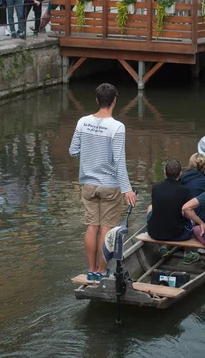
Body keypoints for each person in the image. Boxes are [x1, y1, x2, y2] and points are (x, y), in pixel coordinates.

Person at [69, 83, 137, 282]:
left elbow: (73, 151)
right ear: (114, 101)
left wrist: (90, 156)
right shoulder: (117, 127)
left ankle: (91, 270)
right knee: (106, 228)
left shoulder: (82, 122)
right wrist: (127, 189)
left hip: (88, 184)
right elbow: (118, 161)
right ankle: (101, 271)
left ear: (97, 100)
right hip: (109, 185)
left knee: (91, 227)